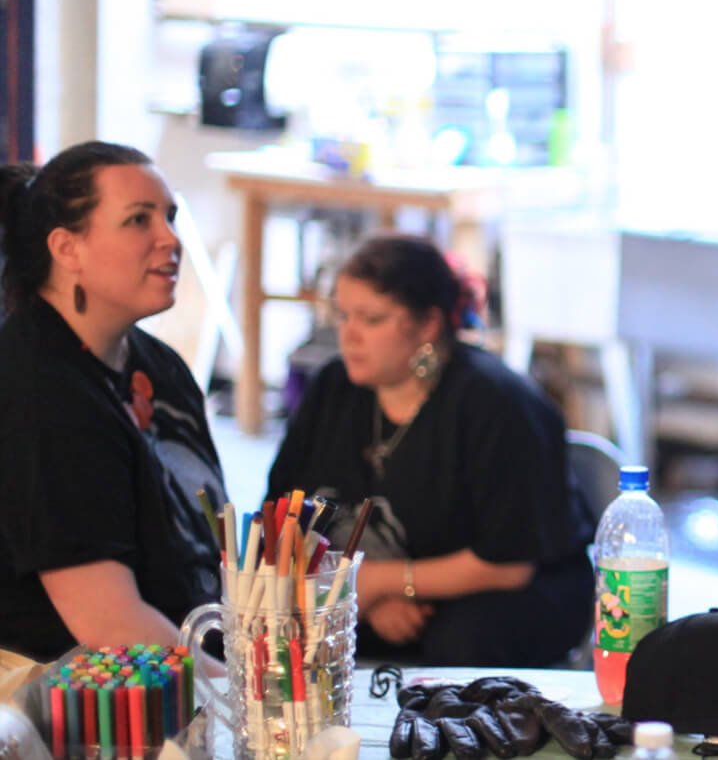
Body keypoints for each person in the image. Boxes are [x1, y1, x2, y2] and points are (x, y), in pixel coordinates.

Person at [265, 233, 596, 667]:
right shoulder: (334, 387)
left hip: (507, 588)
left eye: (371, 319)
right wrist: (366, 598)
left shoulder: (496, 403)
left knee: (459, 642)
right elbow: (284, 518)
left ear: (427, 325)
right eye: (342, 315)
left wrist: (378, 582)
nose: (348, 335)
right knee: (264, 622)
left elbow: (508, 563)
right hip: (361, 588)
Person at [0, 142, 228, 660]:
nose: (170, 238)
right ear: (67, 249)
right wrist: (244, 706)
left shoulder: (161, 368)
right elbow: (110, 624)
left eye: (169, 217)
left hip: (195, 667)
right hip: (92, 706)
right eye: (137, 221)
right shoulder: (37, 391)